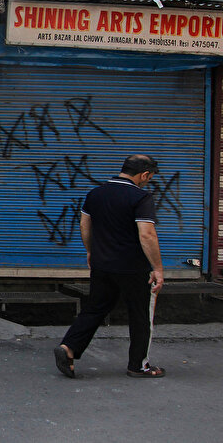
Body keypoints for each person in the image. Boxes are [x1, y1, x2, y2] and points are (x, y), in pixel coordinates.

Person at [53, 154, 166, 379]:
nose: (148, 181)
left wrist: (90, 251)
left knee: (95, 308)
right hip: (133, 268)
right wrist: (158, 268)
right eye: (149, 177)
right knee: (140, 315)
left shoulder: (95, 194)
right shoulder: (140, 197)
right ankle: (138, 365)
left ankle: (69, 347)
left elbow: (85, 225)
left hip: (102, 264)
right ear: (144, 174)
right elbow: (147, 234)